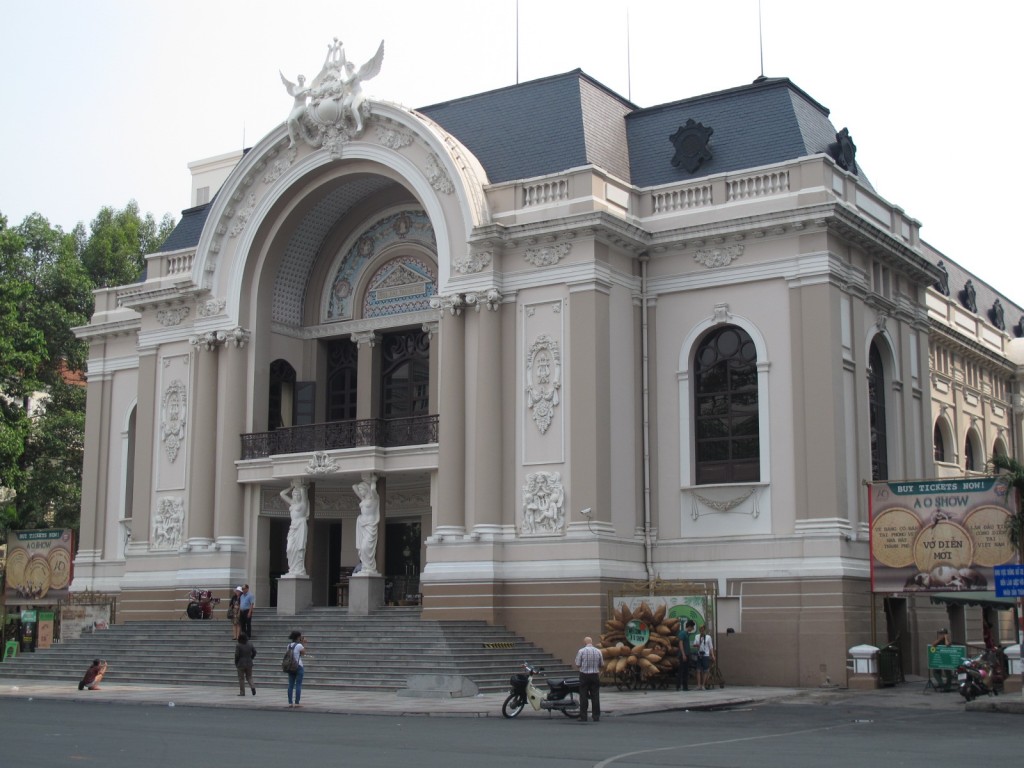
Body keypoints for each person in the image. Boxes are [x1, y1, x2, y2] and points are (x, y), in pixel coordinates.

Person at [280, 479, 310, 577]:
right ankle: (292, 568)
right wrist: (292, 487)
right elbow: (282, 494)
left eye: (298, 495)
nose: (296, 496)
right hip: (293, 528)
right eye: (294, 494)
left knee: (298, 548)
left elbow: (303, 493)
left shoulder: (303, 504)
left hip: (300, 526)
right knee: (289, 549)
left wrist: (300, 486)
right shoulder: (293, 504)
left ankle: (299, 569)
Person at [353, 474, 380, 575]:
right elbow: (354, 487)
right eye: (360, 490)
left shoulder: (374, 498)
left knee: (366, 547)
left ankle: (370, 567)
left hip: (370, 525)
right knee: (362, 548)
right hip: (362, 525)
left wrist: (373, 481)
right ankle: (365, 567)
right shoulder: (363, 500)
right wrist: (363, 483)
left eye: (362, 490)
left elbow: (373, 490)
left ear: (367, 489)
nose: (360, 492)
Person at [574, 635, 604, 722]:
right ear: (592, 642)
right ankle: (596, 716)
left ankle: (583, 716)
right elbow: (602, 664)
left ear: (584, 643)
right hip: (595, 675)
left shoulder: (581, 651)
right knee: (595, 696)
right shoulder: (598, 651)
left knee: (583, 696)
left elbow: (578, 664)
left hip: (584, 675)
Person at [286, 630, 306, 708]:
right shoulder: (299, 646)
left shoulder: (289, 645)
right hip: (298, 666)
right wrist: (303, 643)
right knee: (298, 684)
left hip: (290, 666)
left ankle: (290, 702)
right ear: (298, 637)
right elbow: (304, 653)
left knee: (290, 684)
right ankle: (297, 702)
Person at [676, 619, 696, 691]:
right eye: (692, 627)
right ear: (689, 626)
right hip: (683, 655)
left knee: (686, 671)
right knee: (681, 670)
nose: (693, 629)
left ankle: (685, 686)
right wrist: (683, 654)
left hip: (687, 654)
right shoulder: (682, 633)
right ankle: (678, 686)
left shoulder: (687, 634)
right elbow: (680, 644)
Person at [695, 625, 715, 690]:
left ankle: (703, 685)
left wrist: (712, 655)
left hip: (705, 655)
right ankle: (698, 685)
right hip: (699, 654)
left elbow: (711, 647)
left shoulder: (708, 637)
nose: (702, 631)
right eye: (700, 629)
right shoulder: (697, 636)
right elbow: (694, 644)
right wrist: (696, 645)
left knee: (705, 670)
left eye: (703, 629)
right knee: (698, 670)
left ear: (704, 630)